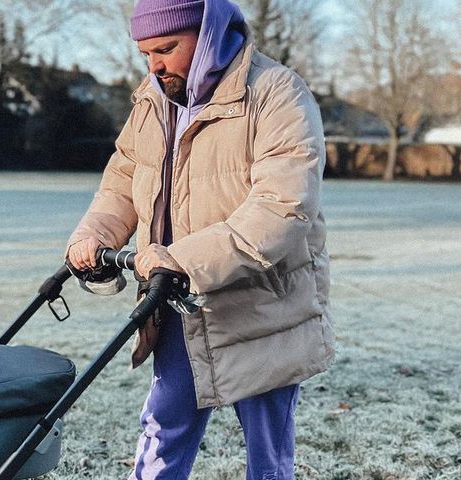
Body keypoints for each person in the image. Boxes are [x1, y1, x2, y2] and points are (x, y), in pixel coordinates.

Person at [64, 0, 335, 478]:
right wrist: (93, 236)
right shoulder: (152, 99)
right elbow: (123, 182)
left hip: (261, 308)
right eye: (146, 53)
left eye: (166, 48)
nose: (155, 65)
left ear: (207, 33)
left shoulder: (274, 92)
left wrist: (183, 260)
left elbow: (283, 205)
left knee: (267, 455)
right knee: (163, 428)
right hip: (175, 305)